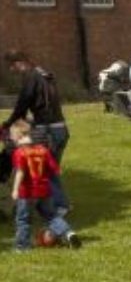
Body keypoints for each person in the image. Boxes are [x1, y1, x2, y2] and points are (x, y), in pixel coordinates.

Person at [2, 50, 70, 217]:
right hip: (60, 128)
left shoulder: (31, 76)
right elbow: (45, 104)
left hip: (49, 131)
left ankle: (60, 207)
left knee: (46, 170)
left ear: (21, 62)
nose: (12, 70)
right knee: (51, 170)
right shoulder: (44, 74)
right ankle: (56, 204)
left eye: (13, 65)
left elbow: (23, 104)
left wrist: (8, 124)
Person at [10, 123, 79, 251]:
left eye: (11, 136)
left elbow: (20, 171)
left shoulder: (19, 152)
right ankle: (68, 233)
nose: (11, 139)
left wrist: (15, 189)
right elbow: (56, 170)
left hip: (27, 193)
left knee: (23, 219)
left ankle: (22, 246)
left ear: (17, 136)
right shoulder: (43, 150)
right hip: (44, 191)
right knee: (52, 216)